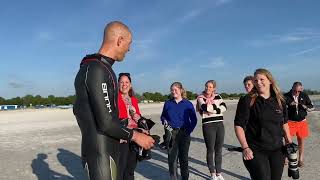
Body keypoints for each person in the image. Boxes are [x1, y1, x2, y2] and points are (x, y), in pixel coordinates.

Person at [73, 21, 154, 180]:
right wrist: (137, 137)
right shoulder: (97, 70)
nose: (129, 49)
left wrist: (134, 130)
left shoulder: (94, 68)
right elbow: (106, 122)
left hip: (103, 150)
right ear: (120, 40)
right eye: (129, 44)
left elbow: (93, 114)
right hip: (101, 154)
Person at [234, 68, 293, 180]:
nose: (258, 83)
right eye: (256, 80)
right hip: (256, 150)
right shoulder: (247, 100)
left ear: (270, 81)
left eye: (262, 79)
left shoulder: (280, 100)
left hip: (277, 150)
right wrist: (245, 147)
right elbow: (239, 125)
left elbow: (284, 123)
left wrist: (289, 144)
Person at [160, 82, 197, 180]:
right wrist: (165, 122)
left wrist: (188, 131)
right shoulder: (168, 103)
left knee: (183, 159)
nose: (173, 92)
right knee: (172, 160)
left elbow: (194, 120)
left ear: (181, 90)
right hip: (171, 133)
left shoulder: (187, 104)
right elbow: (163, 116)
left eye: (175, 89)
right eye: (172, 90)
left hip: (184, 133)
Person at [196, 80, 227, 180]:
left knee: (219, 150)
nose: (207, 88)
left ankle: (219, 173)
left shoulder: (218, 96)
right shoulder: (200, 97)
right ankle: (212, 173)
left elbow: (224, 107)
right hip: (208, 125)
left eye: (210, 87)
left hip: (219, 124)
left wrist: (213, 110)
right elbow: (204, 107)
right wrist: (217, 109)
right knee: (210, 150)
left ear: (214, 88)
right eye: (206, 86)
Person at [117, 72, 145, 180]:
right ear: (118, 84)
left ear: (130, 84)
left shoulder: (133, 99)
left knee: (130, 169)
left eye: (126, 82)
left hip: (134, 136)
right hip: (121, 137)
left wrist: (139, 119)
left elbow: (138, 118)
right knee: (120, 169)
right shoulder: (114, 98)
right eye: (122, 82)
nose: (124, 84)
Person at [284, 81, 314, 167]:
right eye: (295, 91)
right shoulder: (286, 96)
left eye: (299, 91)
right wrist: (289, 105)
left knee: (301, 141)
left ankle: (300, 159)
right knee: (287, 141)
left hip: (302, 122)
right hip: (290, 122)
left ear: (301, 90)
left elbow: (312, 106)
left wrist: (306, 107)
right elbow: (281, 108)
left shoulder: (304, 95)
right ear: (292, 88)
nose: (297, 93)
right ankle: (286, 158)